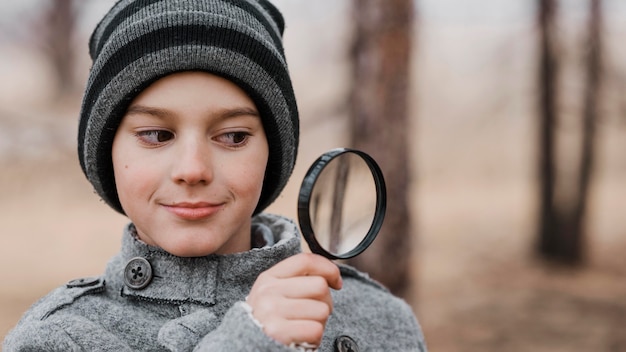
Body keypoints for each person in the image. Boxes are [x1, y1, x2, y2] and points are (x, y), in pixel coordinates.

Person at [3, 0, 428, 351]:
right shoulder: (58, 338)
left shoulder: (381, 319)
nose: (193, 170)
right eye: (155, 135)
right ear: (108, 152)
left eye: (233, 136)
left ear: (272, 153)